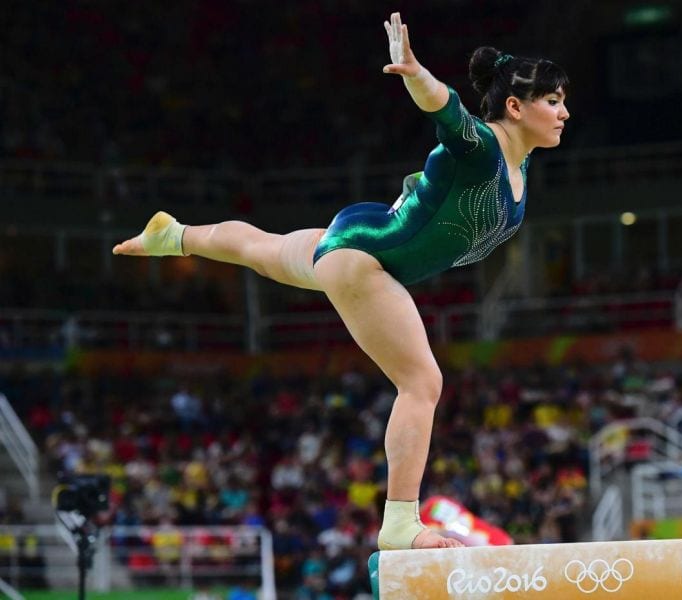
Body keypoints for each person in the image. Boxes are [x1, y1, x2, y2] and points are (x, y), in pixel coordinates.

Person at [113, 12, 569, 550]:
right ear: (515, 107)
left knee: (263, 249)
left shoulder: (521, 167)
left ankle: (176, 236)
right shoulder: (484, 149)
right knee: (422, 383)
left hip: (360, 242)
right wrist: (416, 73)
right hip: (366, 257)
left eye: (563, 100)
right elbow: (447, 111)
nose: (565, 112)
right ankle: (400, 523)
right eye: (553, 101)